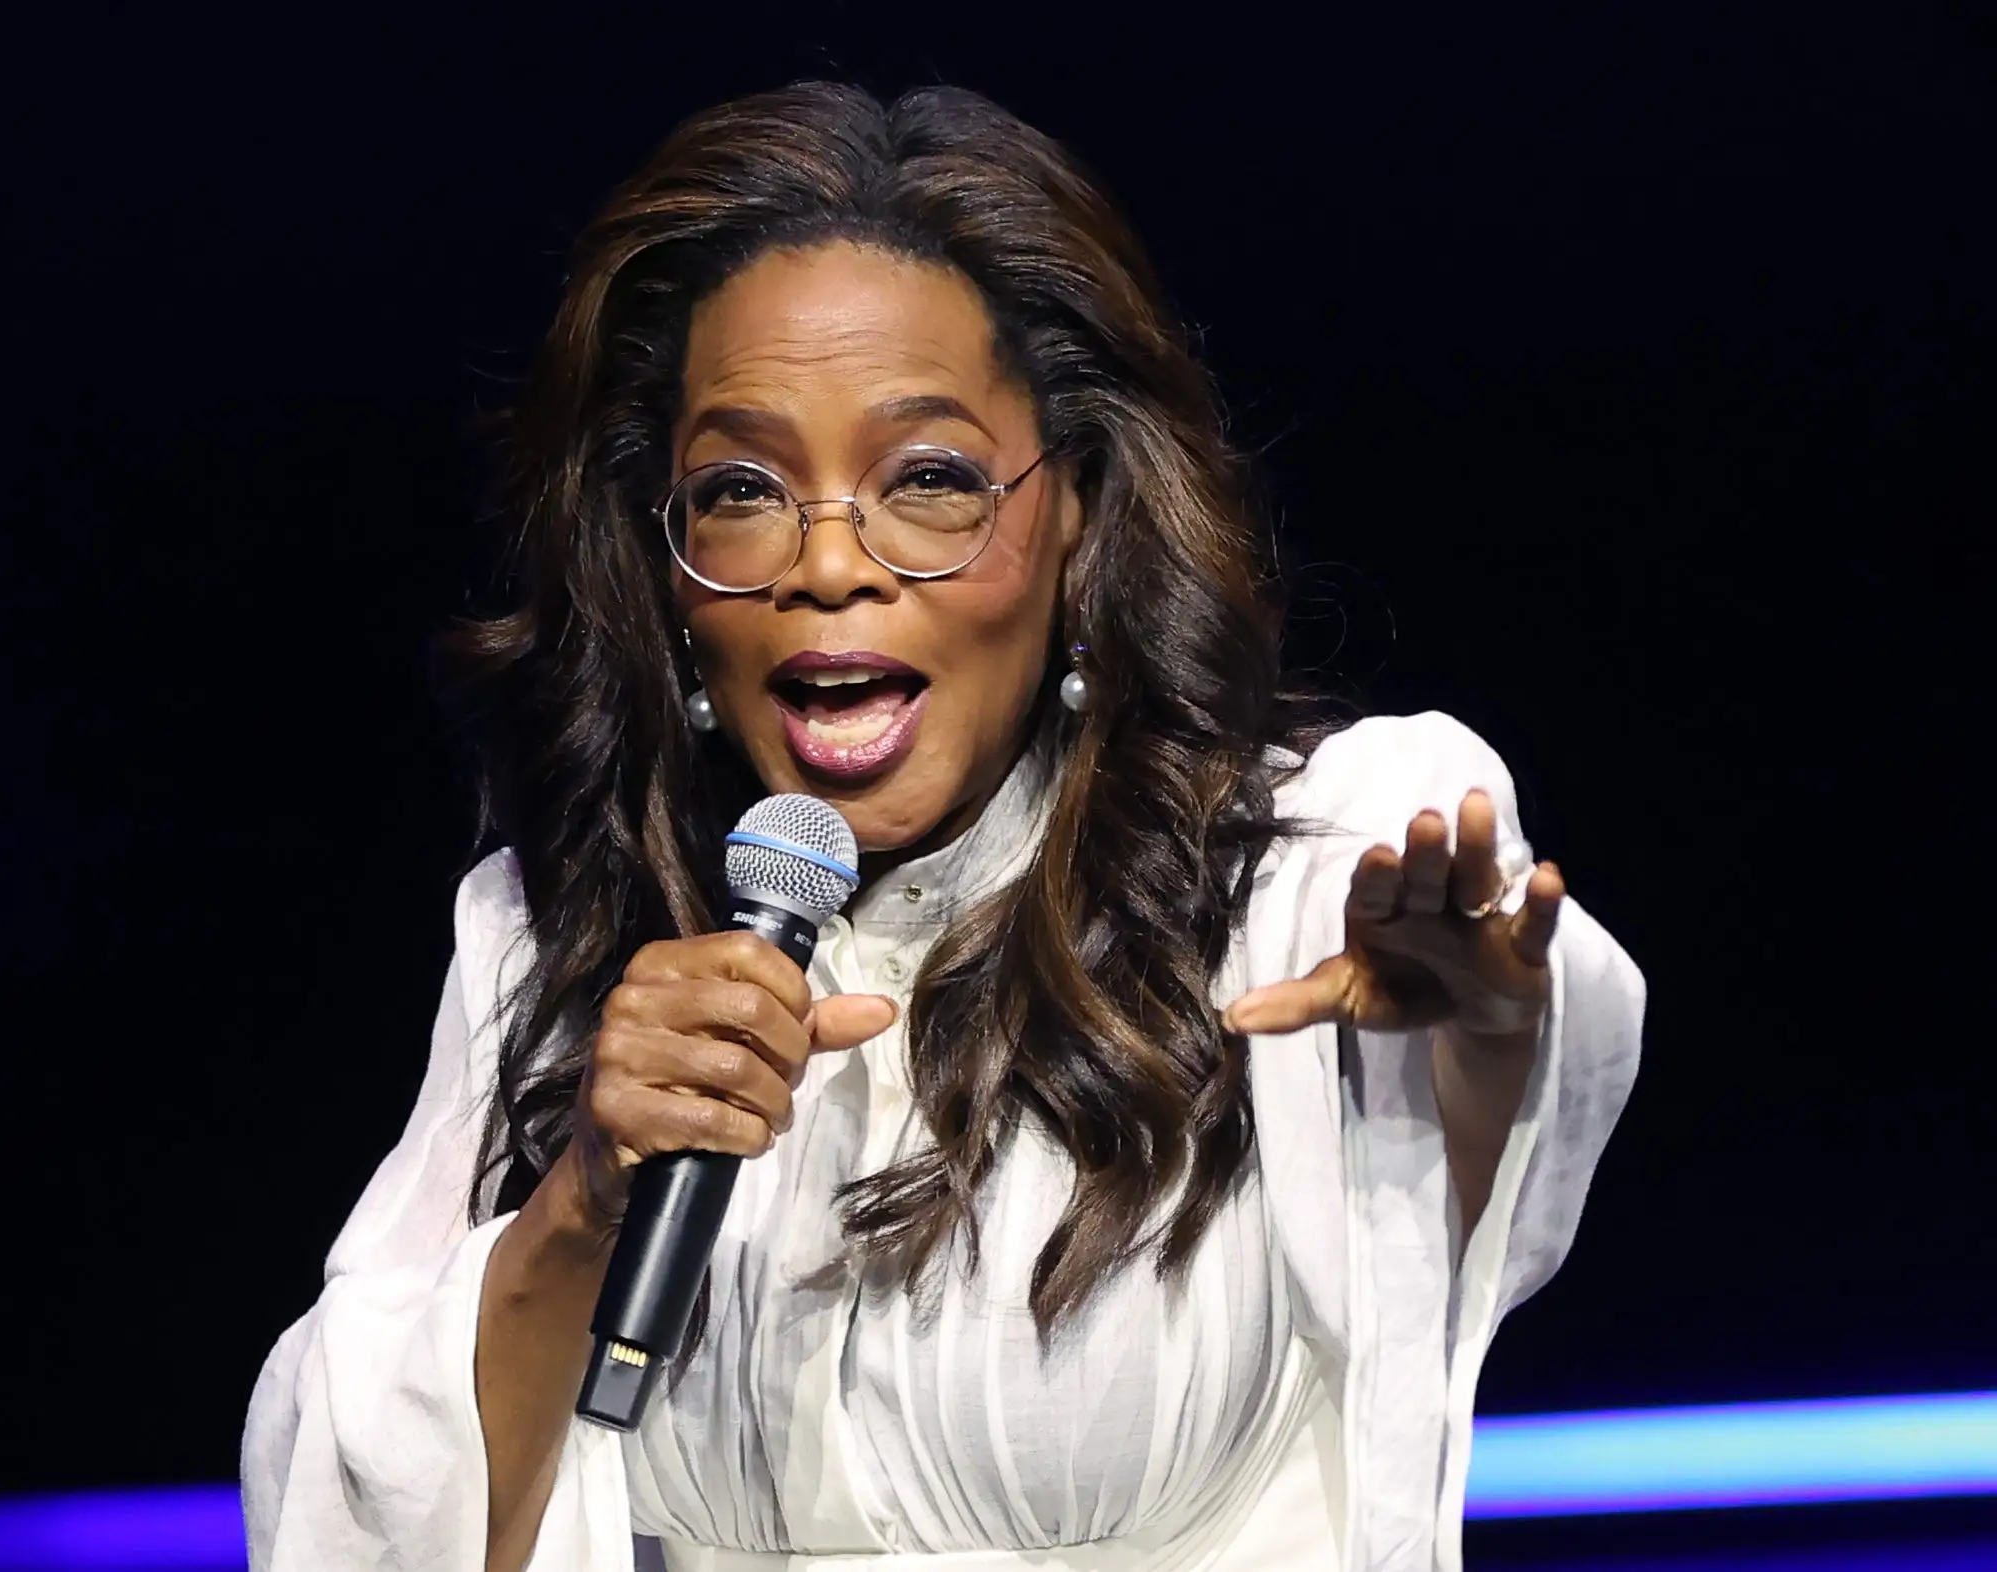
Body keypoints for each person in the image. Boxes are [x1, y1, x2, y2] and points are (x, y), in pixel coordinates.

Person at [242, 81, 1643, 1572]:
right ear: (663, 564)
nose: (827, 562)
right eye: (739, 490)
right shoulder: (556, 952)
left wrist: (1488, 1025)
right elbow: (354, 1514)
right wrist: (584, 1196)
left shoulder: (1297, 876)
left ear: (1081, 519)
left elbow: (1495, 1145)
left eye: (928, 481)